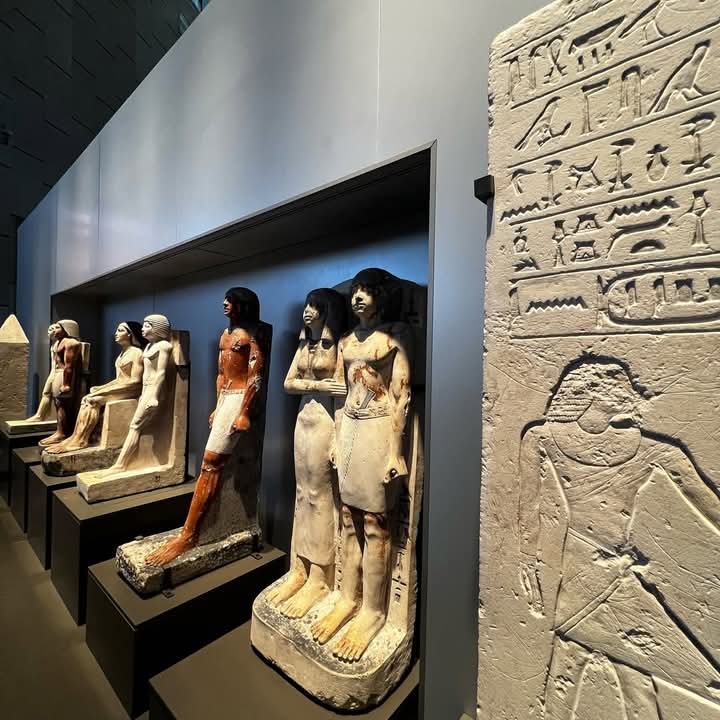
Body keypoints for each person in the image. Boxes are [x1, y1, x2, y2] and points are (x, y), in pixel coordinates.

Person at [518, 356, 720, 717]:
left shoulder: (654, 450)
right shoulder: (541, 439)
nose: (630, 395)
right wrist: (528, 563)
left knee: (622, 674)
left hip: (612, 576)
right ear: (589, 397)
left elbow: (706, 502)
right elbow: (529, 508)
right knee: (579, 666)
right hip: (583, 572)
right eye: (618, 389)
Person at [311, 268, 412, 663]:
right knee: (349, 518)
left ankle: (372, 611)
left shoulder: (395, 336)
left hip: (379, 431)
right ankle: (347, 599)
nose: (357, 297)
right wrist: (337, 439)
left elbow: (401, 397)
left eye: (366, 291)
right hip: (351, 430)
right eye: (354, 290)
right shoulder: (347, 341)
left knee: (375, 522)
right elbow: (341, 395)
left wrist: (395, 452)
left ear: (381, 297)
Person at [145, 288, 269, 566]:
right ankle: (190, 532)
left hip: (239, 398)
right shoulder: (225, 335)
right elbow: (221, 373)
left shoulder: (253, 334)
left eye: (231, 301)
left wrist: (243, 412)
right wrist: (217, 404)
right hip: (226, 398)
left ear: (243, 306)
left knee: (211, 464)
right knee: (209, 465)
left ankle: (189, 535)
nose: (225, 304)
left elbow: (255, 376)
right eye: (225, 299)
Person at [267, 288, 347, 618]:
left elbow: (341, 393)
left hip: (325, 421)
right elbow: (288, 384)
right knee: (301, 494)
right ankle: (298, 568)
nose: (308, 311)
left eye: (316, 306)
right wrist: (315, 386)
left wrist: (339, 439)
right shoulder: (304, 346)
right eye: (307, 305)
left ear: (328, 313)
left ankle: (319, 576)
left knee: (319, 495)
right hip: (303, 418)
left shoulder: (339, 346)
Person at [45, 322, 145, 453]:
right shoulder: (123, 353)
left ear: (130, 334)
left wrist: (105, 390)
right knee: (88, 396)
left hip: (131, 390)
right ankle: (75, 437)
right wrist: (101, 388)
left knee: (92, 400)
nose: (116, 333)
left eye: (120, 330)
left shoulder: (137, 353)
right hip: (122, 387)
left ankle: (81, 440)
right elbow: (119, 379)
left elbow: (135, 381)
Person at [39, 320, 84, 447]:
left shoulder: (71, 343)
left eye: (58, 327)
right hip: (57, 373)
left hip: (64, 375)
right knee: (58, 403)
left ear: (67, 329)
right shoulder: (58, 342)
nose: (55, 330)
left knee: (62, 403)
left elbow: (69, 366)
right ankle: (60, 431)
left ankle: (62, 433)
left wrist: (66, 384)